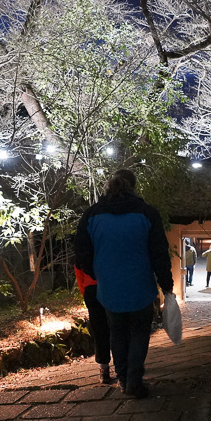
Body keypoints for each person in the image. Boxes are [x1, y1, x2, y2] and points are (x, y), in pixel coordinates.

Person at [74, 169, 174, 399]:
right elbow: (159, 252)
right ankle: (134, 381)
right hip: (140, 285)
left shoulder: (92, 215)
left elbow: (81, 253)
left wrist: (97, 273)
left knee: (117, 333)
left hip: (108, 288)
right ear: (133, 187)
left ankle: (122, 379)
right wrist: (166, 283)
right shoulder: (146, 213)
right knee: (139, 333)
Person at [73, 263, 112, 384]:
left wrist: (85, 292)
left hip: (91, 289)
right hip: (111, 285)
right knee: (117, 327)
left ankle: (103, 368)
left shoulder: (84, 248)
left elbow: (78, 270)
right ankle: (124, 367)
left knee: (99, 329)